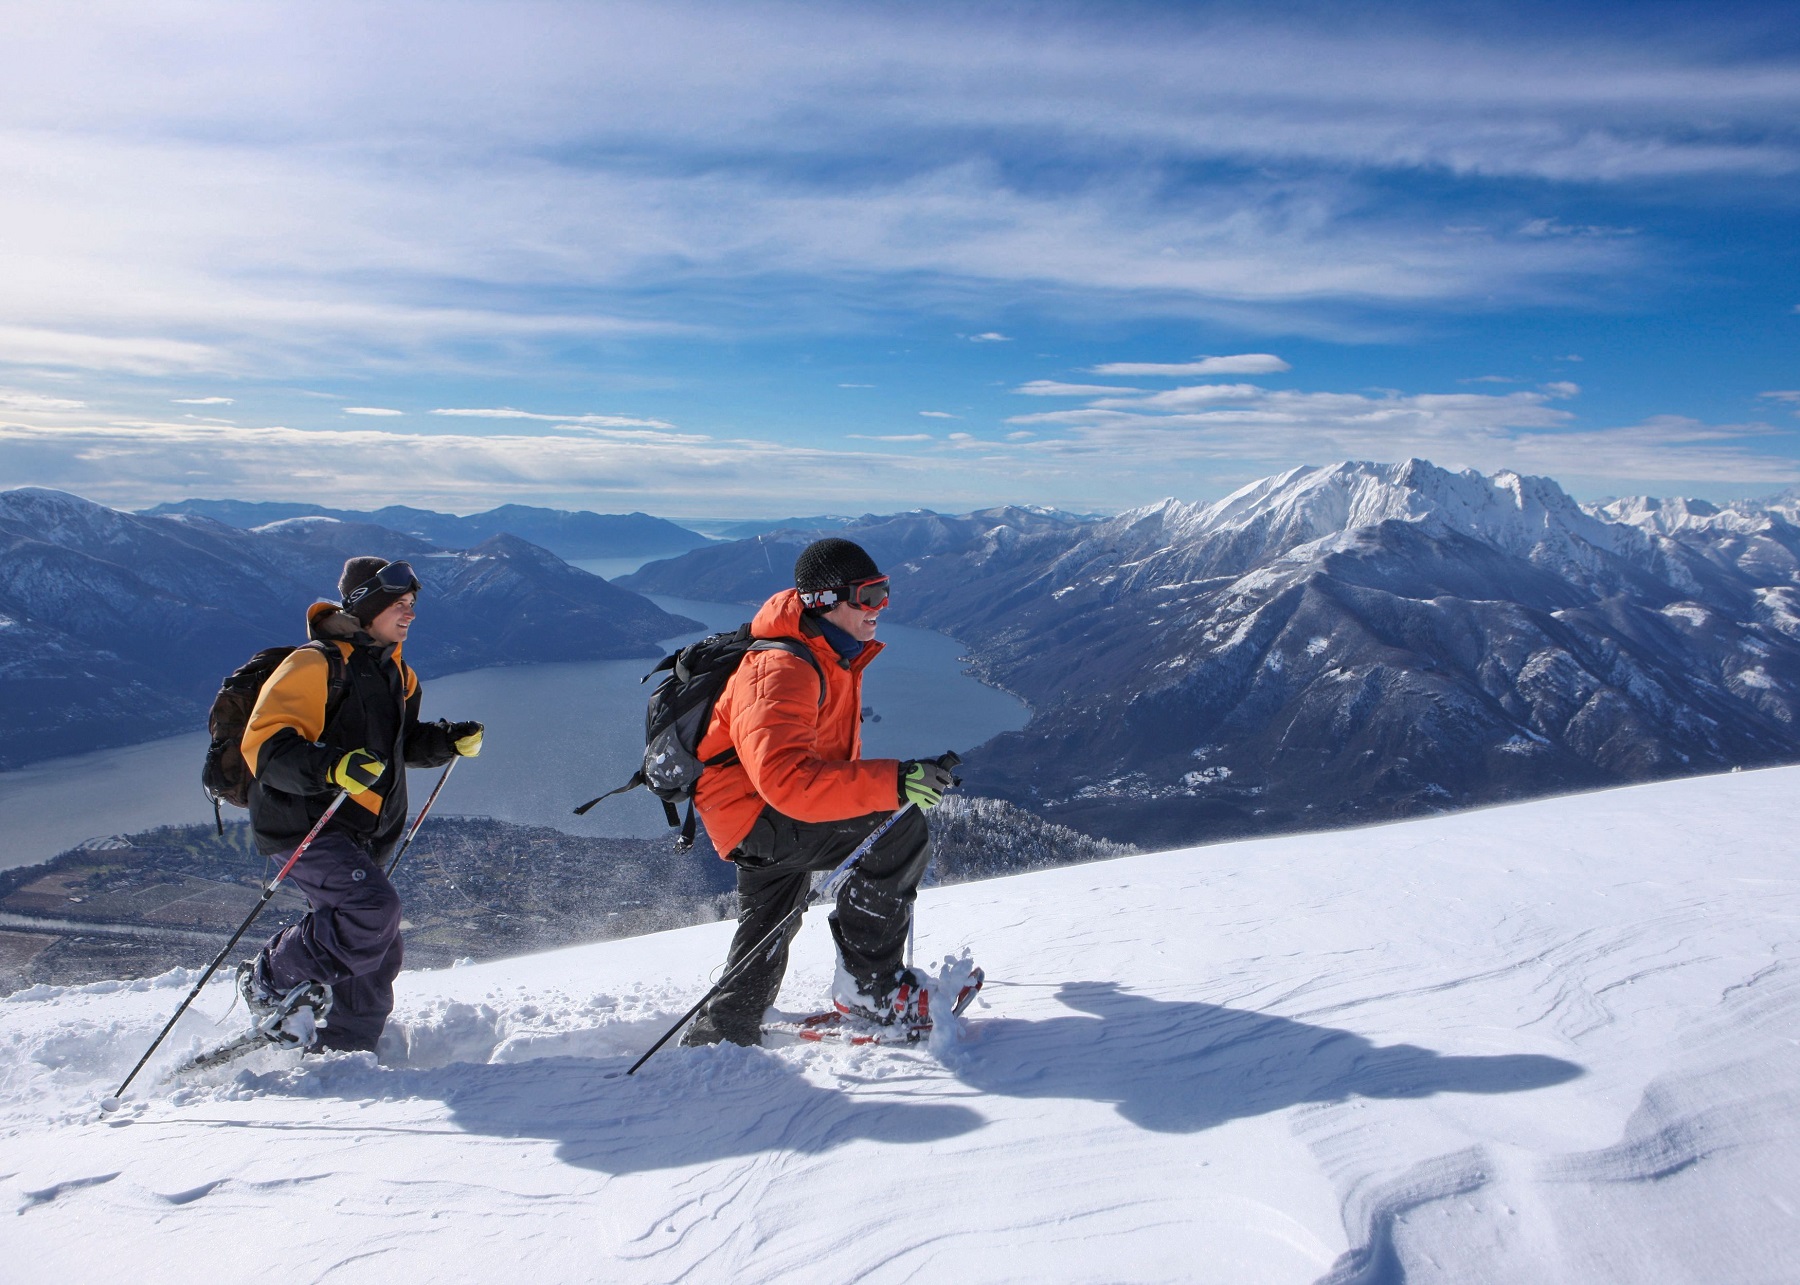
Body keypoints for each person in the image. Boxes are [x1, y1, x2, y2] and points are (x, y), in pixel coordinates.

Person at [683, 537, 958, 1047]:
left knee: (772, 917)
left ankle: (725, 1029)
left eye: (885, 592)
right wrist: (894, 782)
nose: (882, 608)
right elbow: (787, 780)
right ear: (825, 602)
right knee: (895, 827)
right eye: (870, 595)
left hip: (751, 810)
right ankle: (869, 990)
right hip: (761, 811)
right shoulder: (781, 669)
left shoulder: (827, 652)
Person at [236, 557, 483, 1053]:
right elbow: (263, 747)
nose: (410, 613)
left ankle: (346, 1047)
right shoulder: (313, 664)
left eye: (413, 604)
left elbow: (400, 745)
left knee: (379, 943)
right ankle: (269, 974)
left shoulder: (398, 673)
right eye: (399, 604)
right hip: (306, 824)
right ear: (367, 603)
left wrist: (445, 741)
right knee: (371, 910)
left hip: (363, 829)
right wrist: (330, 767)